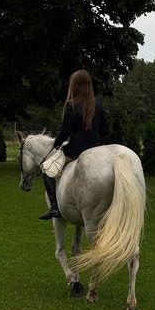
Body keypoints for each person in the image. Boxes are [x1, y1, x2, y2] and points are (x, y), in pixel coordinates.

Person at [39, 69, 108, 220]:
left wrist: (56, 144)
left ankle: (55, 207)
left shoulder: (72, 104)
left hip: (76, 149)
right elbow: (104, 129)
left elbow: (65, 132)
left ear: (75, 85)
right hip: (96, 148)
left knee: (46, 168)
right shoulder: (98, 102)